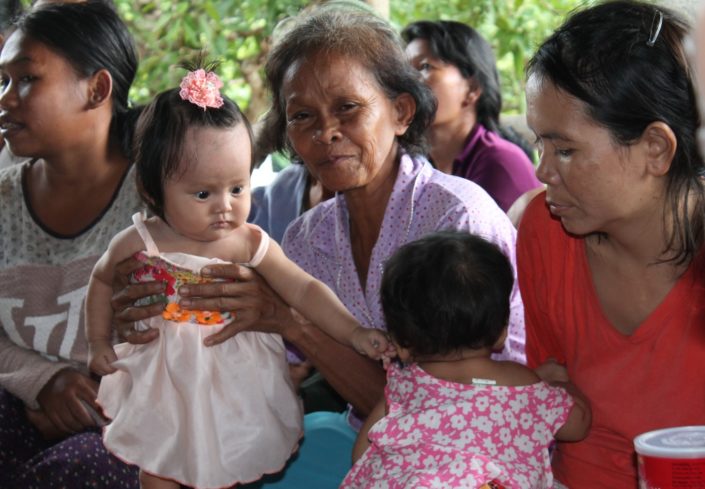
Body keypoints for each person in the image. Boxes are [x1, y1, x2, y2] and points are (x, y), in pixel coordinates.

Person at [112, 4, 525, 486]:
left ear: (400, 111)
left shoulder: (455, 219)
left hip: (471, 455)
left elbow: (452, 408)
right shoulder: (309, 237)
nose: (325, 133)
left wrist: (290, 320)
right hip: (366, 441)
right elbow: (267, 370)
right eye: (302, 116)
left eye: (348, 108)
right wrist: (167, 318)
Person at [86, 70, 391, 489]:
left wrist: (354, 332)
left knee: (231, 467)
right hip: (167, 381)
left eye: (237, 188)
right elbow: (101, 281)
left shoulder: (246, 241)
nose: (224, 207)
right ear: (151, 190)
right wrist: (99, 342)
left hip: (235, 386)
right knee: (158, 466)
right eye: (202, 194)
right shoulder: (140, 239)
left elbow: (303, 289)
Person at [518, 1, 705, 487]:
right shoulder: (545, 230)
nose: (543, 172)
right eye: (540, 145)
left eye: (565, 150)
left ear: (655, 150)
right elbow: (553, 389)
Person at [0, 1, 143, 487]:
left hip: (135, 420)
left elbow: (201, 332)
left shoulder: (162, 194)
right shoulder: (2, 200)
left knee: (84, 470)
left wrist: (97, 397)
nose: (5, 98)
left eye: (25, 79)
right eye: (2, 81)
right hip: (24, 403)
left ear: (97, 88)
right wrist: (44, 383)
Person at [341, 231, 590, 488]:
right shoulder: (521, 384)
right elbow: (578, 424)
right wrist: (559, 384)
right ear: (501, 330)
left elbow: (362, 454)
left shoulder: (404, 386)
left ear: (403, 344)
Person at [402, 20, 541, 212]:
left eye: (425, 67)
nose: (408, 81)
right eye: (406, 71)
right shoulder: (417, 165)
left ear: (472, 89)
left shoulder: (500, 164)